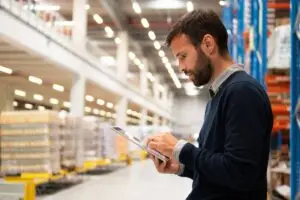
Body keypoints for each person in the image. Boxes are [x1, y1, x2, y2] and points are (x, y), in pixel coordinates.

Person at [147, 9, 273, 200]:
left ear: (208, 44)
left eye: (183, 56)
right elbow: (220, 169)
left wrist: (181, 148)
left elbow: (241, 173)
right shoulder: (219, 94)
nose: (181, 67)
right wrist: (181, 166)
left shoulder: (242, 92)